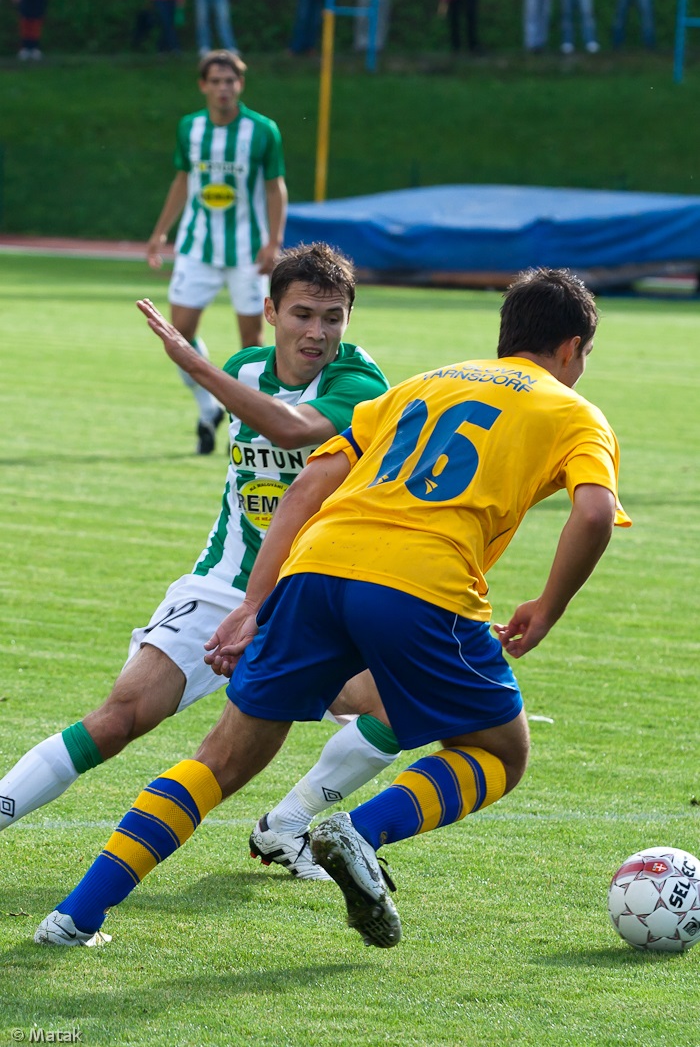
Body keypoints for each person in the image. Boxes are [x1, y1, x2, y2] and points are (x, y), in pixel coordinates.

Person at [33, 267, 631, 951]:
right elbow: (594, 513)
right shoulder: (574, 412)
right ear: (572, 348)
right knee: (500, 750)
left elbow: (311, 482)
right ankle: (360, 830)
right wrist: (547, 608)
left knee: (220, 759)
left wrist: (255, 603)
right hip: (421, 583)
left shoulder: (424, 383)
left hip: (315, 568)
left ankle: (74, 917)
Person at [0, 243, 401, 888]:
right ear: (270, 312)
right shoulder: (244, 368)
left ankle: (288, 825)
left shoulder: (360, 383)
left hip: (313, 599)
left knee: (393, 710)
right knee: (121, 717)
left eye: (333, 317)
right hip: (224, 585)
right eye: (302, 314)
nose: (317, 332)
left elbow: (292, 428)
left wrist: (193, 364)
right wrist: (213, 370)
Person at [147, 50, 288, 455]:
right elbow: (182, 180)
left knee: (252, 341)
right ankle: (208, 408)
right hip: (197, 247)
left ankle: (245, 424)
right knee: (178, 333)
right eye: (216, 81)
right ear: (203, 86)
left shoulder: (263, 130)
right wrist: (160, 232)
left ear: (240, 85)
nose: (224, 88)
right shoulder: (189, 127)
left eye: (230, 81)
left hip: (247, 252)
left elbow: (275, 187)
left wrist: (273, 241)